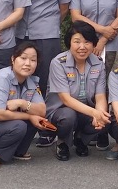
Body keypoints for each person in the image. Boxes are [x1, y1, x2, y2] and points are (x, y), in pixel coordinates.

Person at [12, 0, 71, 148]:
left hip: (46, 35)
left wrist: (48, 23)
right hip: (20, 33)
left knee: (46, 81)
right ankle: (22, 125)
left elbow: (64, 6)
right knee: (21, 79)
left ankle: (47, 127)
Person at [0, 41, 53, 168]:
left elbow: (42, 110)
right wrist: (30, 116)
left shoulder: (31, 81)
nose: (28, 63)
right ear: (13, 59)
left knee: (37, 119)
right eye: (23, 58)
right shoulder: (1, 78)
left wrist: (22, 103)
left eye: (33, 60)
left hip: (3, 126)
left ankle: (16, 151)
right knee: (21, 124)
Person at [44, 22, 110, 161]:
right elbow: (66, 99)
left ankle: (81, 139)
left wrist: (100, 115)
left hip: (86, 109)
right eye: (77, 42)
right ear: (69, 42)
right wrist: (94, 113)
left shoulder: (98, 63)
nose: (82, 47)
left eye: (87, 42)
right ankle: (62, 142)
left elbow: (100, 96)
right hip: (61, 110)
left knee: (105, 117)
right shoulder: (58, 63)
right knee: (68, 116)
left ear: (93, 44)